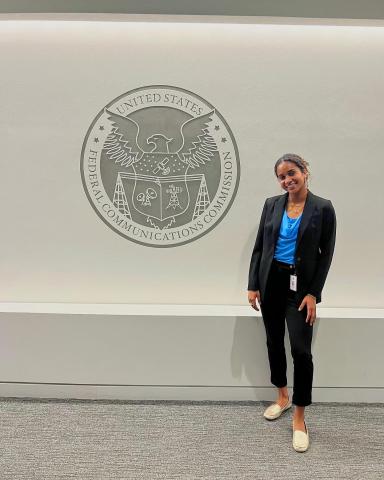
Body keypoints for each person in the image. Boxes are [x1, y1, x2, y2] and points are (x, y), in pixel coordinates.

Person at [247, 153, 336, 452]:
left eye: (292, 173)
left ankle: (299, 416)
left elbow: (326, 255)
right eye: (282, 176)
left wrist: (313, 293)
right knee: (273, 342)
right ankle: (282, 397)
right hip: (270, 281)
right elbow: (260, 245)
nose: (288, 180)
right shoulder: (272, 204)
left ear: (305, 171)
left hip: (300, 289)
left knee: (301, 350)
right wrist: (252, 285)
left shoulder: (323, 208)